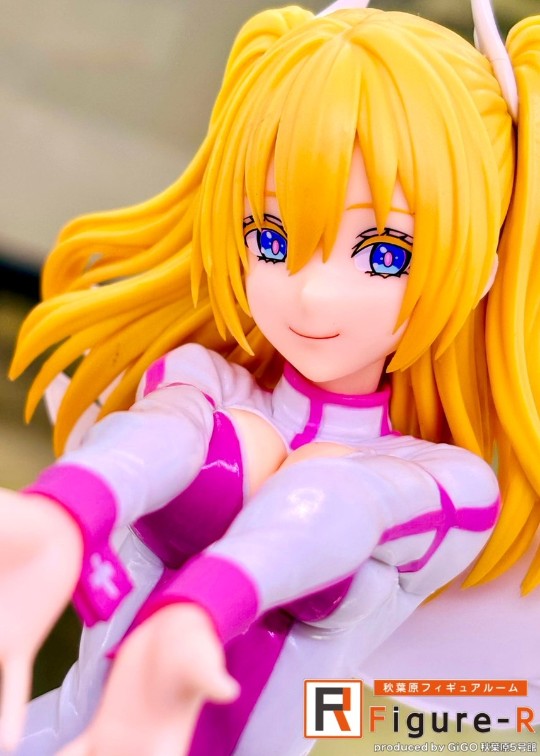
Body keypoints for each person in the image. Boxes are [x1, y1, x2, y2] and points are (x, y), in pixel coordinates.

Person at [1, 1, 539, 754]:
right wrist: (62, 513)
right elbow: (164, 442)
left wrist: (200, 608)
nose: (311, 293)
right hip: (60, 733)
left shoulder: (450, 487)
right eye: (271, 237)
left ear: (477, 270)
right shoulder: (201, 387)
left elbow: (343, 505)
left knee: (319, 470)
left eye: (383, 253)